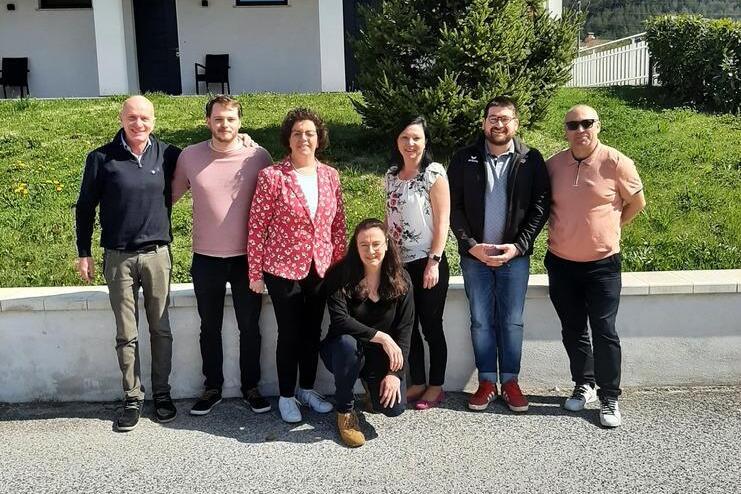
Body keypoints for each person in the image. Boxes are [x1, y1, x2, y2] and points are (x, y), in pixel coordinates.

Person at [75, 95, 180, 431]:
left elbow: (209, 158)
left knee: (161, 329)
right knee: (126, 332)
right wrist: (84, 252)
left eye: (145, 118)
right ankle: (132, 397)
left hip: (157, 255)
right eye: (132, 117)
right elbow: (85, 207)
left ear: (154, 120)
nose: (139, 124)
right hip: (118, 257)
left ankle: (162, 394)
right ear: (121, 119)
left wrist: (244, 140)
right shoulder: (101, 158)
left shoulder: (168, 154)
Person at [448, 96, 550, 413]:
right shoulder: (464, 159)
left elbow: (540, 207)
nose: (498, 124)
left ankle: (510, 382)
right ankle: (487, 382)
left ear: (515, 123)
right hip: (475, 258)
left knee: (512, 322)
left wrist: (518, 246)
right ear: (484, 123)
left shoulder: (531, 159)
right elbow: (453, 206)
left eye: (505, 118)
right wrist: (470, 245)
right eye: (493, 118)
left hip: (514, 258)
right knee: (480, 321)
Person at [545, 105, 645, 428]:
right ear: (565, 131)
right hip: (561, 264)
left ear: (598, 126)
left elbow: (637, 202)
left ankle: (609, 395)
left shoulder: (617, 162)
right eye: (573, 125)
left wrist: (612, 227)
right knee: (573, 329)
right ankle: (583, 383)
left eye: (587, 123)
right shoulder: (553, 166)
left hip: (603, 266)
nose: (580, 130)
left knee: (604, 331)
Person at [172, 95, 273, 416]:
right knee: (209, 326)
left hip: (248, 258)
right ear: (208, 122)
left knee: (250, 326)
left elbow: (276, 200)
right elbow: (167, 197)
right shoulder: (190, 156)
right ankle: (212, 387)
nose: (224, 124)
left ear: (240, 122)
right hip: (205, 258)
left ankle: (251, 387)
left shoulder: (258, 156)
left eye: (230, 119)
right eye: (218, 119)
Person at [248, 107, 347, 423]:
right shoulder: (273, 176)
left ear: (319, 139)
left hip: (321, 268)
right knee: (289, 333)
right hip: (282, 269)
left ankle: (307, 389)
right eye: (297, 133)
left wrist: (341, 269)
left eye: (310, 133)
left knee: (312, 331)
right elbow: (257, 227)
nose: (304, 138)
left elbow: (338, 225)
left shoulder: (330, 176)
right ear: (288, 139)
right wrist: (254, 272)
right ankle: (287, 395)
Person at [321, 218, 414, 447]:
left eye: (376, 244)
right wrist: (382, 337)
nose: (370, 251)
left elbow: (405, 329)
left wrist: (395, 374)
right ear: (356, 246)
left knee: (393, 409)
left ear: (386, 244)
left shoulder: (401, 278)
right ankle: (345, 412)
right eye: (364, 245)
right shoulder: (340, 274)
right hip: (343, 351)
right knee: (347, 345)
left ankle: (371, 388)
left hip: (378, 356)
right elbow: (340, 320)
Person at [384, 116, 450, 410]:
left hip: (428, 262)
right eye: (404, 138)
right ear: (397, 142)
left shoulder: (433, 174)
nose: (410, 144)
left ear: (425, 142)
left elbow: (443, 221)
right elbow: (389, 218)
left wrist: (434, 261)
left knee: (431, 326)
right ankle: (418, 382)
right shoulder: (391, 175)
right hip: (400, 264)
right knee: (407, 326)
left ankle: (436, 386)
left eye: (416, 138)